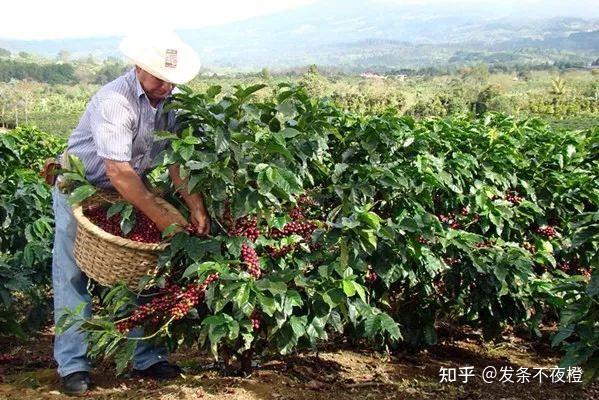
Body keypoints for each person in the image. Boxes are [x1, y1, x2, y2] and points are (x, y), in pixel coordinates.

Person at [51, 32, 209, 395]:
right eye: (158, 78)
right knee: (72, 276)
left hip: (130, 191)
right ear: (138, 67)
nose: (165, 86)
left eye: (172, 80)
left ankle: (148, 357)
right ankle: (73, 365)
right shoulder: (114, 101)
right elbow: (117, 171)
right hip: (81, 189)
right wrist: (162, 217)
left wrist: (195, 204)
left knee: (145, 271)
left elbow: (177, 159)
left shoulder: (172, 99)